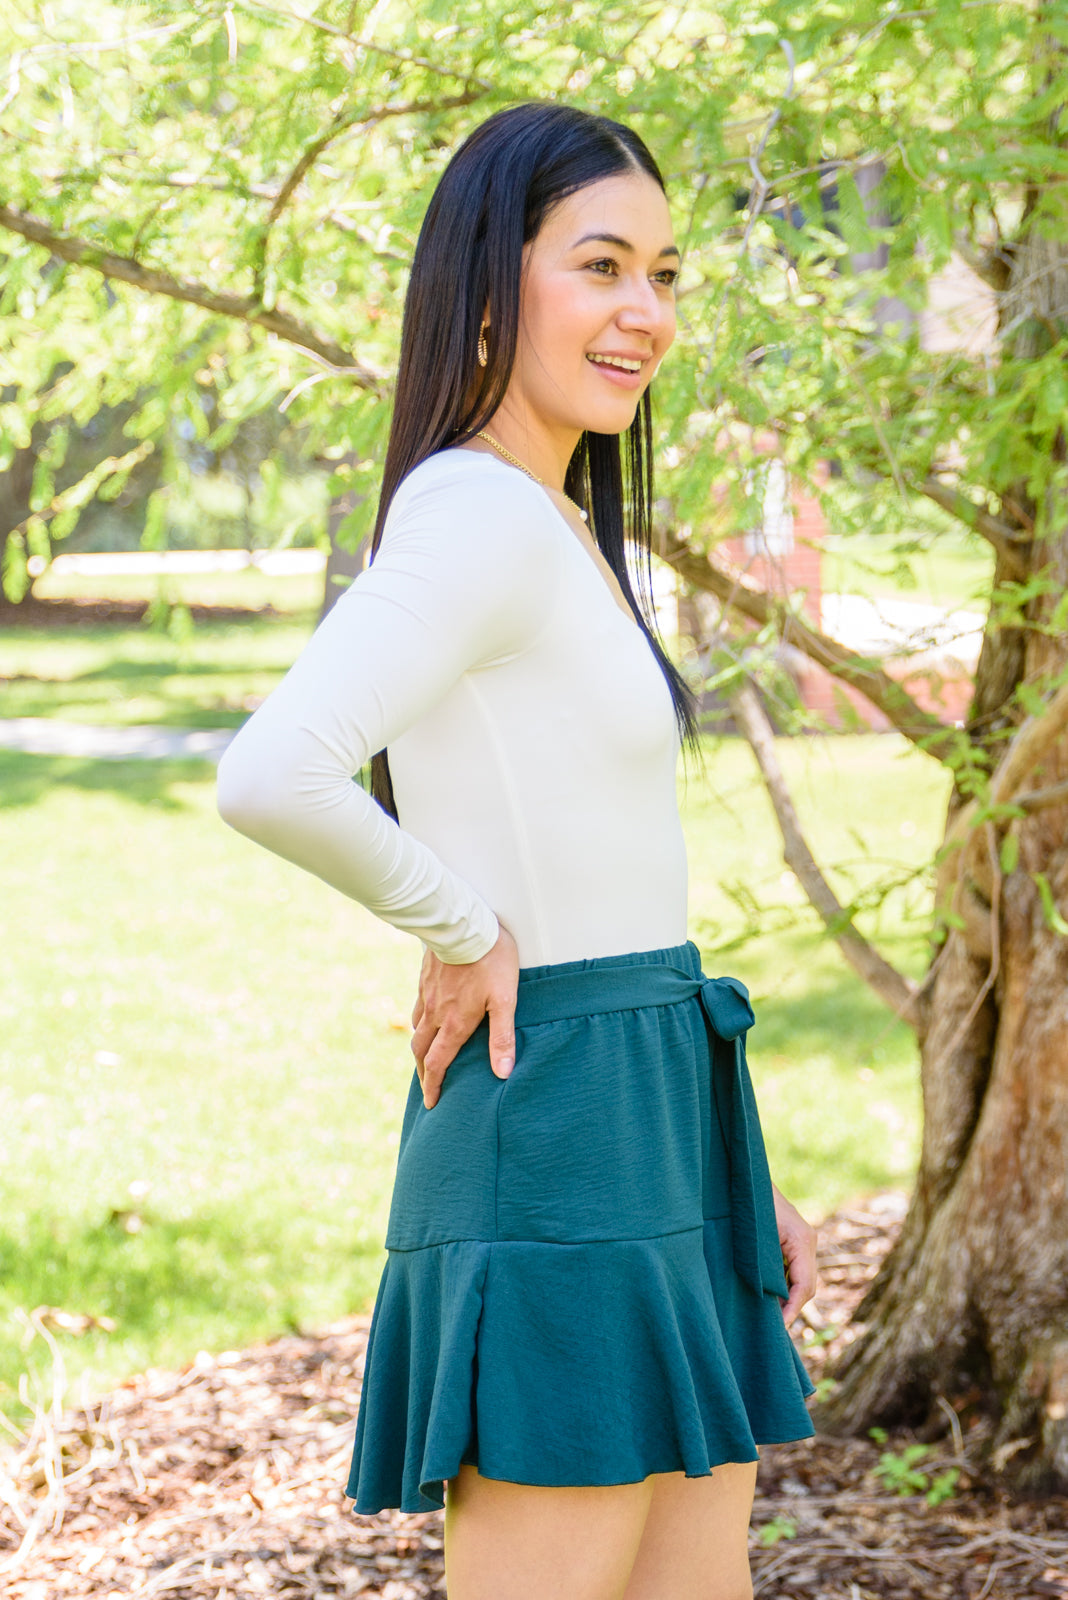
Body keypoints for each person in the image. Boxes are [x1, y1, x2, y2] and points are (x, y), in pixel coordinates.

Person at [217, 100, 817, 1600]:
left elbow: (606, 855)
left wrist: (731, 1169)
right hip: (548, 1127)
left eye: (666, 275)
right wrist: (458, 924)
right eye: (601, 264)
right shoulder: (477, 514)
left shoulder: (553, 520)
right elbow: (272, 769)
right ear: (493, 279)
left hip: (653, 1099)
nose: (645, 312)